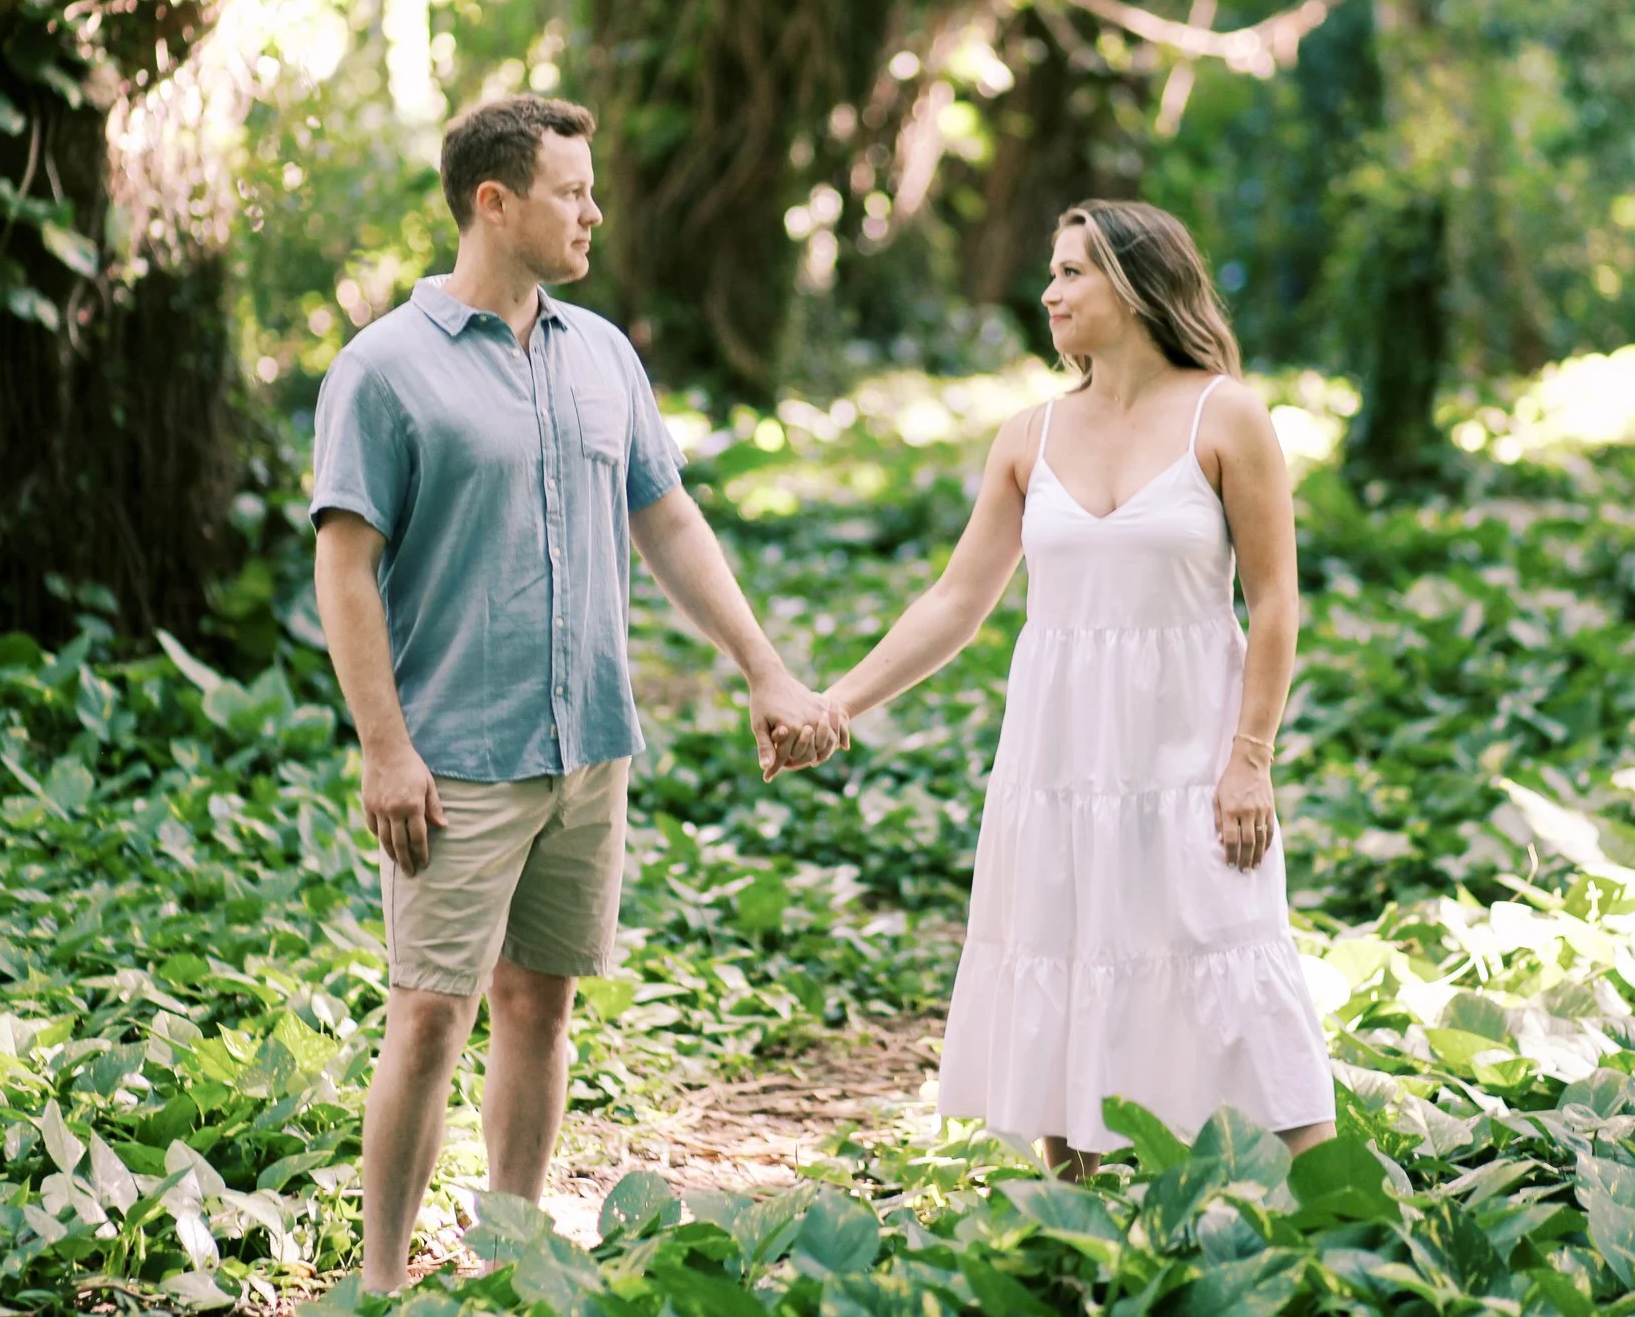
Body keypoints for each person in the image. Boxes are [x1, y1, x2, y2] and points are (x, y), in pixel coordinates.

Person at [308, 94, 847, 1295]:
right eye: (571, 190)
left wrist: (763, 667)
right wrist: (383, 745)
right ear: (494, 202)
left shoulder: (602, 352)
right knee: (429, 1016)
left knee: (538, 1007)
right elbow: (342, 563)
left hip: (586, 740)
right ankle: (383, 1282)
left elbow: (666, 517)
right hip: (453, 753)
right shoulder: (383, 370)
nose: (594, 211)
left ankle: (512, 1252)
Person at [777, 199, 1333, 1174]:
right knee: (1068, 960)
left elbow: (1277, 599)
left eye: (1072, 270)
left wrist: (1250, 759)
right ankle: (1072, 1233)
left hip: (1191, 751)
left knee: (1236, 964)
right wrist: (838, 702)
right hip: (1059, 757)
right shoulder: (1027, 434)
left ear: (1133, 283)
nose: (1049, 290)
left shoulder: (1225, 413)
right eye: (1052, 267)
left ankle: (1336, 1223)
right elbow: (956, 601)